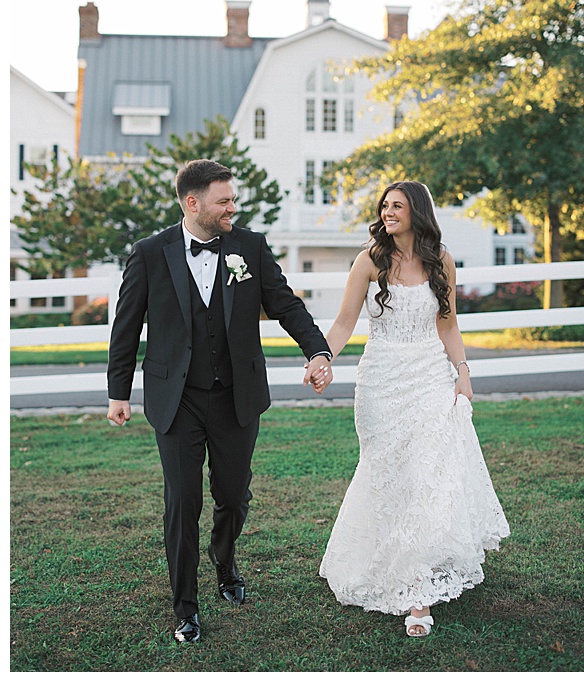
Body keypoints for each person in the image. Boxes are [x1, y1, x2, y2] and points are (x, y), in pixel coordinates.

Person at [107, 159, 333, 644]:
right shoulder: (149, 253)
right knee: (182, 502)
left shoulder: (250, 247)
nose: (233, 208)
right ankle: (185, 607)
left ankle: (224, 558)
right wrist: (118, 392)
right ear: (193, 203)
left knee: (233, 496)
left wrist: (317, 350)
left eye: (233, 200)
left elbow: (286, 303)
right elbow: (125, 326)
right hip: (177, 399)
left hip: (236, 395)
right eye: (224, 201)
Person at [312, 181, 509, 637]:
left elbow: (449, 324)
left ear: (417, 212)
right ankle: (383, 560)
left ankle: (419, 590)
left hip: (430, 378)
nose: (388, 212)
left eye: (397, 206)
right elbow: (343, 323)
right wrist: (322, 358)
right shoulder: (368, 261)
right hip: (381, 382)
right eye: (384, 206)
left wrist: (463, 372)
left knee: (426, 476)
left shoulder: (441, 260)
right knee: (388, 474)